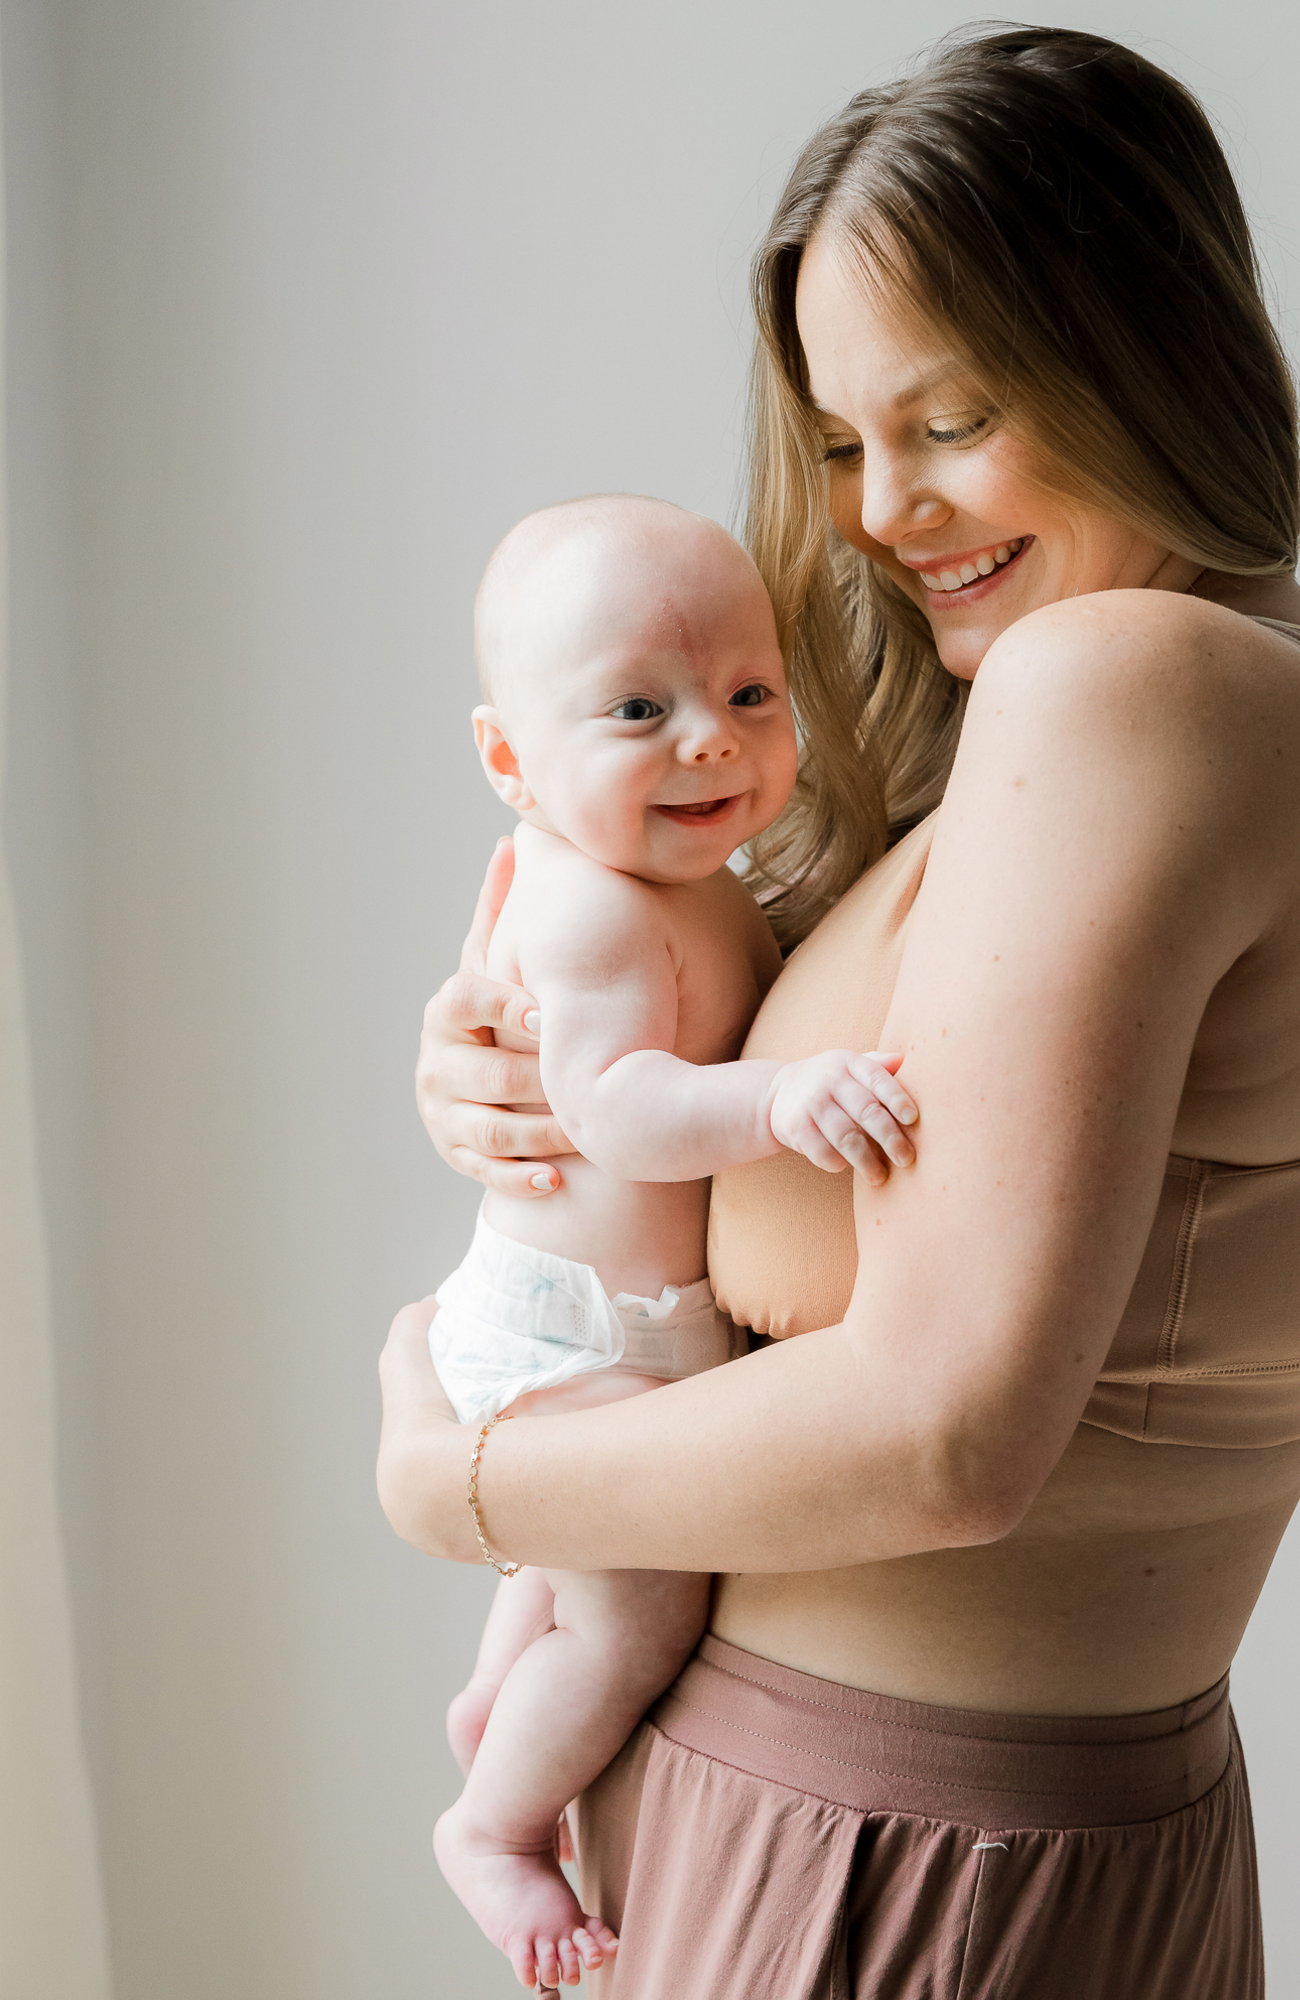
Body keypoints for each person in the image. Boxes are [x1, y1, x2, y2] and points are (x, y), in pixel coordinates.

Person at [378, 26, 1300, 1998]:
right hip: (890, 1835)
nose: (875, 513)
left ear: (1143, 353)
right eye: (850, 442)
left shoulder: (1123, 690)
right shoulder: (1160, 695)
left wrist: (457, 1477)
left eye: (949, 421)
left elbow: (945, 1432)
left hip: (904, 1869)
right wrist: (533, 1054)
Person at [424, 494, 918, 1993]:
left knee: (585, 1581)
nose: (710, 737)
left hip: (621, 1329)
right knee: (641, 1615)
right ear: (511, 759)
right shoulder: (586, 916)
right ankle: (496, 1827)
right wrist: (783, 1101)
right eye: (640, 708)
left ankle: (504, 1691)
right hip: (572, 1332)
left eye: (749, 695)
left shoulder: (684, 886)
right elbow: (622, 1112)